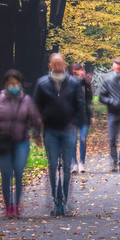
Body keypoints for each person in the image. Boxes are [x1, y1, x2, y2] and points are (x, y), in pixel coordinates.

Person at [32, 53, 87, 216]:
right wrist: (37, 128)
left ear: (64, 65)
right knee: (53, 165)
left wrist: (76, 122)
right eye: (55, 64)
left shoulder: (73, 84)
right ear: (50, 66)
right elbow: (36, 107)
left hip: (68, 130)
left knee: (67, 168)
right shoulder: (42, 84)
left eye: (61, 63)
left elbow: (80, 104)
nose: (58, 67)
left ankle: (63, 199)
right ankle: (56, 199)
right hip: (50, 130)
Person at [0, 69, 42, 218]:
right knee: (6, 174)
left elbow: (34, 118)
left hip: (21, 141)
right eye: (11, 84)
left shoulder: (27, 100)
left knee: (18, 172)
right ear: (5, 85)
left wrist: (37, 134)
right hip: (3, 142)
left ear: (21, 85)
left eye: (16, 83)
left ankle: (17, 204)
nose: (14, 86)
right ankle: (8, 205)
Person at [70, 62, 93, 174]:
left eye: (83, 70)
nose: (83, 72)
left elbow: (89, 100)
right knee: (73, 140)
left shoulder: (85, 84)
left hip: (84, 116)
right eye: (80, 70)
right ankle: (73, 163)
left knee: (83, 139)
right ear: (74, 71)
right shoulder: (68, 83)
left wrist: (91, 115)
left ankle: (82, 162)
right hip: (72, 116)